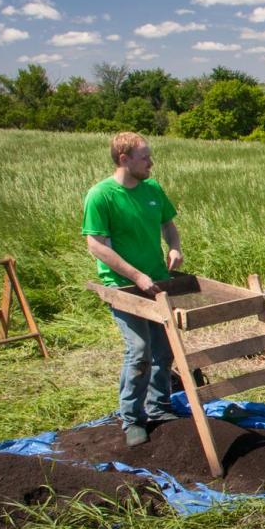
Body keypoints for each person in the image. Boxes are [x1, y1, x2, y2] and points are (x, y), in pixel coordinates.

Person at [83, 131, 182, 447]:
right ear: (124, 159)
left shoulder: (152, 188)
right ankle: (132, 419)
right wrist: (136, 275)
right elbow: (96, 245)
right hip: (124, 286)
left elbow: (168, 224)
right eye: (144, 157)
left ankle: (160, 407)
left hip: (156, 283)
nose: (151, 162)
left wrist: (175, 247)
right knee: (139, 350)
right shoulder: (101, 196)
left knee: (163, 351)